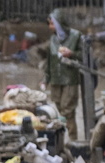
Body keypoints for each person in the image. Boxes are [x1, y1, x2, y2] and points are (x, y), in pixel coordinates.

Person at [43, 10, 84, 141]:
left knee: (68, 110)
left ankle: (73, 140)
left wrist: (71, 53)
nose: (50, 27)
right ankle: (64, 137)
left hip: (70, 79)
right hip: (56, 79)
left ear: (60, 23)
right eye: (49, 24)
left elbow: (85, 56)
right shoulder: (53, 39)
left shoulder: (76, 36)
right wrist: (46, 79)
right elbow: (49, 61)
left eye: (52, 24)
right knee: (59, 107)